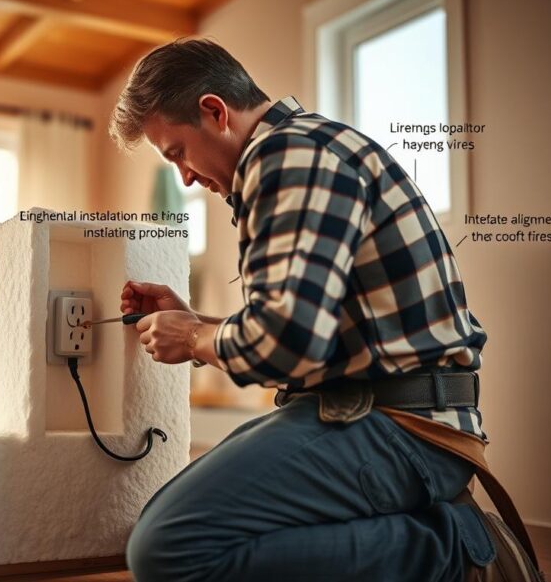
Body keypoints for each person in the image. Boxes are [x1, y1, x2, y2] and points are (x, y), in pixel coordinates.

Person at [108, 38, 494, 581]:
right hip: (372, 409)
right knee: (160, 521)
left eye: (177, 153)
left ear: (215, 112)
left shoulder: (290, 156)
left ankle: (449, 550)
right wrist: (197, 324)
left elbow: (288, 342)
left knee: (169, 546)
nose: (186, 178)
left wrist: (195, 338)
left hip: (407, 427)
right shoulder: (303, 150)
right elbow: (316, 335)